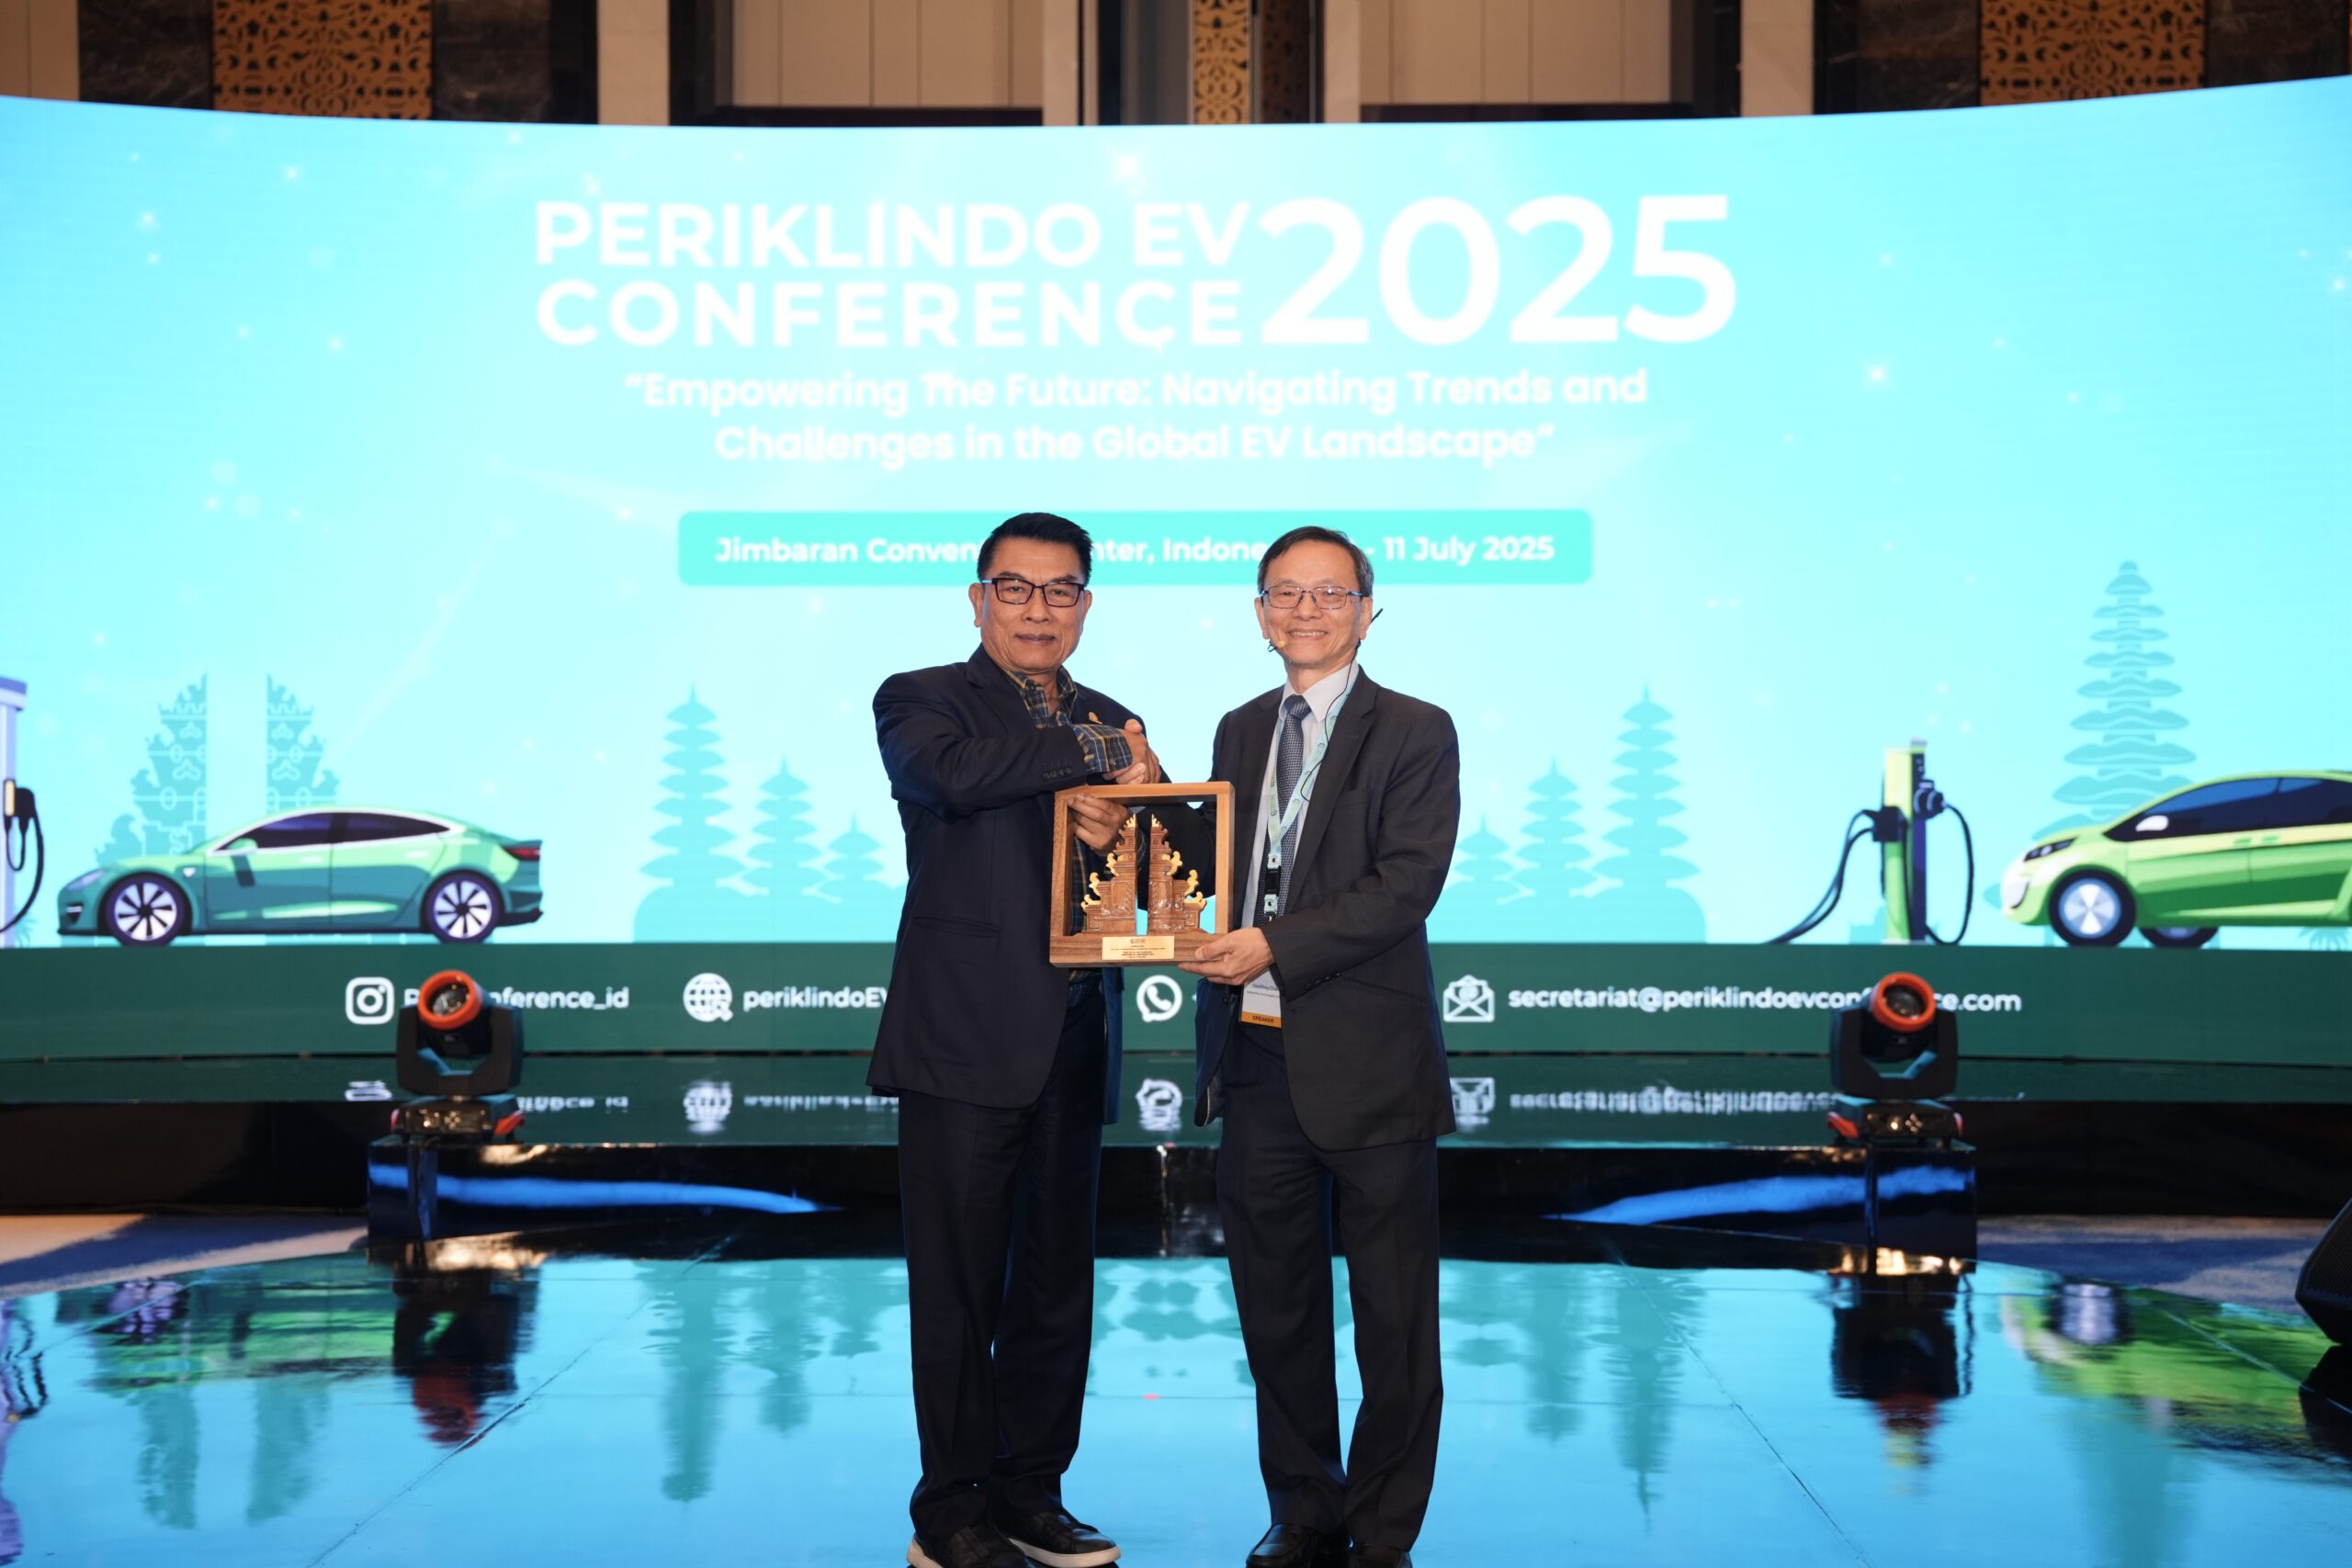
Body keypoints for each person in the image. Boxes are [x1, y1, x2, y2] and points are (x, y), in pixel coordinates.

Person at [870, 512, 1156, 1568]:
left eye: (1061, 589)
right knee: (956, 1289)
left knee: (1053, 1286)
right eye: (1016, 587)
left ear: (1086, 602)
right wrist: (1093, 759)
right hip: (960, 1040)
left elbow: (1150, 880)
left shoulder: (1116, 720)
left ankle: (1033, 1493)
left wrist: (1130, 826)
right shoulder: (922, 699)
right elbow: (951, 777)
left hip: (1073, 1040)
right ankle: (949, 1511)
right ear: (978, 597)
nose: (1039, 609)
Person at [1178, 525, 1460, 1568]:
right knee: (1277, 1310)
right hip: (1254, 1060)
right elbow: (1220, 864)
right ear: (1260, 613)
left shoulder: (1415, 728)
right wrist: (1143, 847)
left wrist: (1274, 945)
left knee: (1394, 1319)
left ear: (1367, 610)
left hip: (1371, 1064)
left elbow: (1406, 883)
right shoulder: (1239, 727)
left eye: (1330, 593)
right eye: (1285, 594)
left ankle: (1382, 1529)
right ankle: (1303, 1508)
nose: (1307, 610)